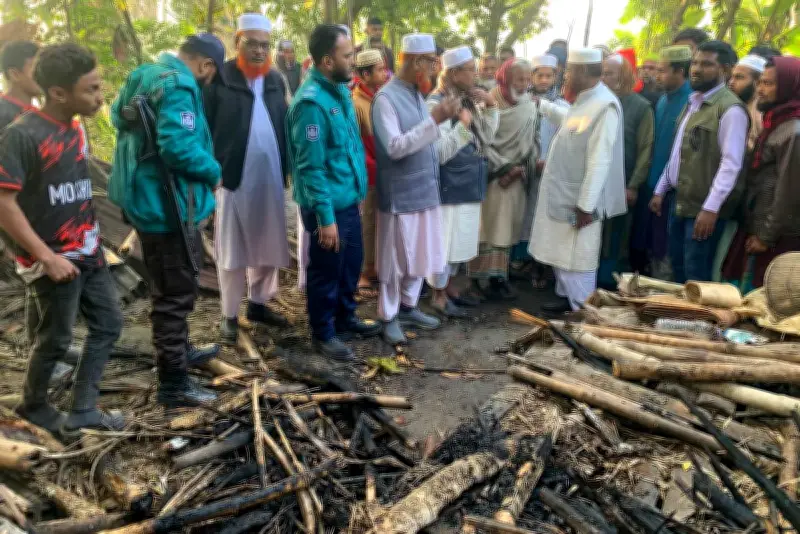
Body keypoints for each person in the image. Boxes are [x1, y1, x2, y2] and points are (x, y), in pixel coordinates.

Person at [0, 44, 123, 433]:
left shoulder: (75, 126)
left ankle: (84, 407)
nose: (99, 97)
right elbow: (4, 203)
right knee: (55, 338)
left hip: (88, 250)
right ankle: (33, 404)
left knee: (108, 324)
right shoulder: (23, 135)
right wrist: (45, 257)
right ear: (58, 92)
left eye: (99, 86)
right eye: (90, 89)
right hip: (54, 258)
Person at [110, 35, 224, 407]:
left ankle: (181, 351)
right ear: (206, 65)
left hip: (144, 198)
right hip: (167, 206)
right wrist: (213, 171)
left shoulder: (144, 74)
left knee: (170, 282)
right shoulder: (178, 85)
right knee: (175, 293)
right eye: (211, 73)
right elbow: (178, 147)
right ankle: (173, 382)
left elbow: (115, 116)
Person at [288, 25, 381, 360]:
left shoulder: (340, 91)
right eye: (347, 56)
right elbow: (310, 168)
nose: (352, 62)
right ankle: (323, 332)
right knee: (326, 270)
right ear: (327, 60)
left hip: (347, 199)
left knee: (350, 264)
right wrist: (325, 219)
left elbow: (349, 147)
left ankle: (346, 317)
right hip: (325, 206)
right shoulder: (311, 104)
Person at [203, 14, 291, 345]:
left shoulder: (274, 79)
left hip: (270, 178)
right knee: (232, 249)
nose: (258, 51)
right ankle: (228, 314)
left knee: (269, 242)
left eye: (264, 45)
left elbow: (285, 120)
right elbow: (204, 127)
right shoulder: (220, 77)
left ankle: (258, 304)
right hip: (231, 177)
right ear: (237, 41)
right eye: (251, 43)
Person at [372, 33, 461, 345]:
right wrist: (435, 119)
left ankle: (409, 307)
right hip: (400, 196)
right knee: (395, 262)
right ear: (410, 61)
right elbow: (394, 147)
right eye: (427, 61)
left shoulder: (415, 94)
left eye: (433, 61)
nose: (432, 67)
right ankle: (389, 316)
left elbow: (427, 139)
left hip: (424, 191)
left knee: (419, 257)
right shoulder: (385, 98)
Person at [531, 48, 626, 314]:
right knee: (563, 254)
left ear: (584, 72)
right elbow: (574, 124)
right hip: (566, 194)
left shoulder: (604, 105)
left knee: (577, 259)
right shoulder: (587, 99)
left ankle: (584, 314)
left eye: (570, 71)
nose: (566, 76)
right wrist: (544, 107)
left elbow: (600, 161)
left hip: (580, 202)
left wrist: (586, 206)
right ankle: (567, 302)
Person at [649, 40, 747, 283]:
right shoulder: (694, 102)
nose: (696, 69)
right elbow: (678, 153)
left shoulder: (730, 109)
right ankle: (680, 320)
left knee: (697, 277)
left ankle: (698, 321)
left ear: (725, 69)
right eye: (694, 62)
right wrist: (661, 189)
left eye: (706, 64)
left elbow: (731, 164)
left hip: (703, 210)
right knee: (679, 271)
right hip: (680, 202)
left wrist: (710, 208)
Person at [426, 46, 498, 316]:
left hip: (468, 185)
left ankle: (449, 288)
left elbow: (487, 139)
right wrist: (462, 127)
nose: (475, 74)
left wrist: (490, 107)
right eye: (470, 69)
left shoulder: (467, 100)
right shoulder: (437, 104)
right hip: (449, 188)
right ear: (454, 74)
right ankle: (438, 294)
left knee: (460, 243)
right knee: (444, 244)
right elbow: (440, 153)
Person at [722, 56, 800, 290]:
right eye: (761, 82)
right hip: (755, 226)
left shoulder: (793, 132)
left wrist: (766, 236)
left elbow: (789, 190)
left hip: (776, 238)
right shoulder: (776, 121)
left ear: (789, 87)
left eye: (769, 84)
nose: (761, 90)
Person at [467, 58, 536, 300]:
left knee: (507, 228)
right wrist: (503, 167)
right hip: (491, 176)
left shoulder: (529, 105)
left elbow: (531, 142)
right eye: (520, 79)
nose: (525, 84)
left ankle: (499, 278)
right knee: (485, 228)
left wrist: (522, 168)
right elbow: (480, 139)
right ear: (505, 79)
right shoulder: (488, 102)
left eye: (528, 79)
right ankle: (475, 281)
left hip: (516, 177)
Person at [630, 45, 693, 280]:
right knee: (647, 247)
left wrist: (663, 186)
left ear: (679, 71)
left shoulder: (691, 102)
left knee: (665, 251)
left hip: (672, 190)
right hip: (651, 185)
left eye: (662, 70)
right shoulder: (663, 100)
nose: (656, 76)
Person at [511, 53, 567, 289]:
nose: (544, 80)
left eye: (548, 75)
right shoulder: (520, 100)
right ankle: (522, 262)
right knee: (523, 216)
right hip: (523, 168)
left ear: (556, 76)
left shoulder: (562, 106)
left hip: (548, 169)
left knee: (542, 219)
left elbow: (563, 139)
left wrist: (548, 161)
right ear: (532, 76)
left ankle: (541, 267)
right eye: (539, 75)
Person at [599, 52, 654, 282]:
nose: (603, 78)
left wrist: (633, 186)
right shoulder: (598, 101)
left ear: (623, 76)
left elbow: (645, 149)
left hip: (622, 184)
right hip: (596, 182)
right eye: (601, 73)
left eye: (609, 73)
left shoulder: (640, 107)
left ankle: (608, 283)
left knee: (616, 237)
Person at [352, 49, 388, 298]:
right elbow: (357, 145)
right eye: (379, 70)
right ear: (365, 74)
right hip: (369, 174)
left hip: (383, 171)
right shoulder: (356, 103)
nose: (384, 74)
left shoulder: (378, 98)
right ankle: (363, 272)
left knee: (378, 223)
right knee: (366, 223)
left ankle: (374, 267)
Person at [730, 54, 767, 151]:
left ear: (757, 81)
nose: (731, 82)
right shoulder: (736, 106)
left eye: (739, 77)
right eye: (732, 77)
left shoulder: (761, 114)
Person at [0, 40, 39, 128]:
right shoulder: (2, 112)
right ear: (14, 74)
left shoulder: (37, 114)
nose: (42, 74)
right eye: (35, 68)